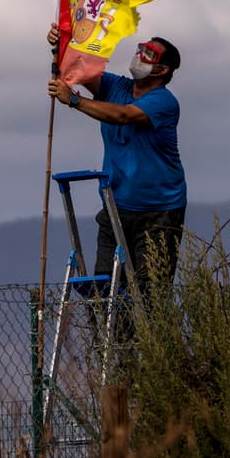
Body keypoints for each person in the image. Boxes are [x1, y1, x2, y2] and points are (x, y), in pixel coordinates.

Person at [46, 24, 187, 303]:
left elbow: (123, 115)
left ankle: (153, 332)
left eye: (149, 54)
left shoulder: (163, 102)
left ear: (163, 70)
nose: (139, 56)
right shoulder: (117, 86)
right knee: (107, 289)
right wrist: (62, 42)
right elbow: (79, 69)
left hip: (158, 212)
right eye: (140, 49)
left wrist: (74, 100)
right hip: (115, 207)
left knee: (151, 293)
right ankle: (110, 332)